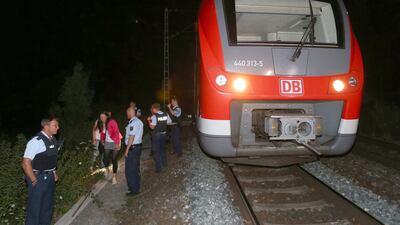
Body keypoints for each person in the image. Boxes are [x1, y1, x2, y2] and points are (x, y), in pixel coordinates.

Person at [22, 117, 60, 225]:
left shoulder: (52, 139)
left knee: (47, 208)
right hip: (38, 179)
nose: (58, 127)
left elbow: (50, 160)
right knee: (35, 210)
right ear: (46, 126)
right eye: (55, 125)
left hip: (49, 178)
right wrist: (33, 179)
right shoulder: (35, 142)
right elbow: (25, 163)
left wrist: (53, 172)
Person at [124, 107, 143, 196]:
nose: (126, 114)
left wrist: (127, 150)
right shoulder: (138, 121)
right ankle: (135, 186)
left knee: (130, 169)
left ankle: (134, 190)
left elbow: (131, 137)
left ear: (131, 112)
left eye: (127, 112)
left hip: (132, 148)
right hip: (137, 147)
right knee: (135, 168)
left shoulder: (133, 123)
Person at [147, 103, 168, 173]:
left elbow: (152, 127)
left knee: (156, 152)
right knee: (162, 150)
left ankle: (159, 168)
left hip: (157, 136)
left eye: (152, 109)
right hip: (164, 135)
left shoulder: (154, 116)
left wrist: (149, 120)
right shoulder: (165, 114)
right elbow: (169, 122)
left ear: (154, 109)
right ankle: (165, 164)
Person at [103, 113, 122, 184]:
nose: (102, 118)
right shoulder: (103, 123)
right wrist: (102, 140)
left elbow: (117, 132)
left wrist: (117, 143)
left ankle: (114, 177)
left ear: (107, 117)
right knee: (105, 158)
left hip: (115, 141)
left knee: (114, 159)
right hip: (108, 142)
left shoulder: (112, 122)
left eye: (103, 117)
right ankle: (107, 169)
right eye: (101, 117)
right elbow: (103, 133)